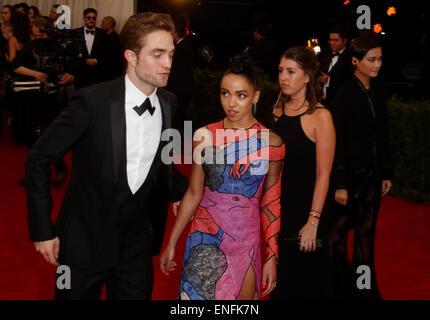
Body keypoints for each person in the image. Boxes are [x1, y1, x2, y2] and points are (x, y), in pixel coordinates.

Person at [25, 12, 188, 300]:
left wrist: (180, 192)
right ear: (131, 56)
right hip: (80, 245)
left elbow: (160, 157)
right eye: (158, 54)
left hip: (136, 245)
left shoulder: (168, 102)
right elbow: (38, 158)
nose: (168, 64)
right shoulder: (91, 102)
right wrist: (41, 229)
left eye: (171, 54)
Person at [160, 54, 285, 300]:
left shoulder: (272, 143)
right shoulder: (204, 135)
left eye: (241, 95)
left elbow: (271, 203)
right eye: (225, 93)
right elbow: (194, 192)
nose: (231, 103)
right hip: (204, 238)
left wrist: (272, 257)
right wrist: (172, 241)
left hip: (245, 244)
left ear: (256, 96)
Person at [329, 36, 392, 300]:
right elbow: (337, 140)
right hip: (349, 178)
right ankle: (337, 289)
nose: (377, 64)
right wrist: (340, 182)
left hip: (372, 177)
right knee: (336, 237)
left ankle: (363, 292)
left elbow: (383, 135)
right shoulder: (344, 94)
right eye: (371, 59)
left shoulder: (378, 92)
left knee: (366, 236)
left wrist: (386, 173)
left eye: (379, 59)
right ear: (355, 61)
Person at [270, 46, 336, 299]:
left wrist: (313, 221)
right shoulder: (274, 111)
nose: (284, 77)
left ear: (307, 76)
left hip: (308, 210)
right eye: (280, 71)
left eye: (291, 71)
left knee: (307, 283)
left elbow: (324, 175)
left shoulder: (321, 117)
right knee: (279, 281)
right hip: (279, 209)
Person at [13, 16, 74, 187]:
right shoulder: (29, 46)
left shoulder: (59, 49)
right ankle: (39, 171)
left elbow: (69, 70)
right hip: (28, 95)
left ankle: (58, 167)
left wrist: (68, 76)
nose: (37, 40)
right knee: (28, 134)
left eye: (41, 36)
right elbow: (15, 65)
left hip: (50, 96)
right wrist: (35, 74)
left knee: (48, 136)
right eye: (34, 36)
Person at [166, 19, 194, 134]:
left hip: (179, 88)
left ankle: (178, 143)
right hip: (184, 86)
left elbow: (176, 69)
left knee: (178, 116)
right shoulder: (186, 45)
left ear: (175, 34)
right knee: (181, 115)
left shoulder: (181, 48)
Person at [318, 26, 353, 108]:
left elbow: (349, 80)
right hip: (322, 102)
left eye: (336, 40)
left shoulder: (350, 58)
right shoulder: (325, 56)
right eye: (331, 40)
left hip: (341, 103)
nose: (332, 43)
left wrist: (329, 80)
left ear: (344, 41)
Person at [73, 8, 107, 88]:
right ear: (84, 18)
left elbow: (107, 52)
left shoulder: (103, 33)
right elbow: (73, 53)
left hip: (98, 74)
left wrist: (96, 60)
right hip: (80, 73)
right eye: (89, 18)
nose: (91, 20)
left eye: (94, 18)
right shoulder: (75, 33)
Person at [101, 16, 123, 80]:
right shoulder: (104, 37)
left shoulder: (116, 39)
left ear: (109, 25)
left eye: (103, 22)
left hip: (112, 75)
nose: (101, 25)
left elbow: (117, 58)